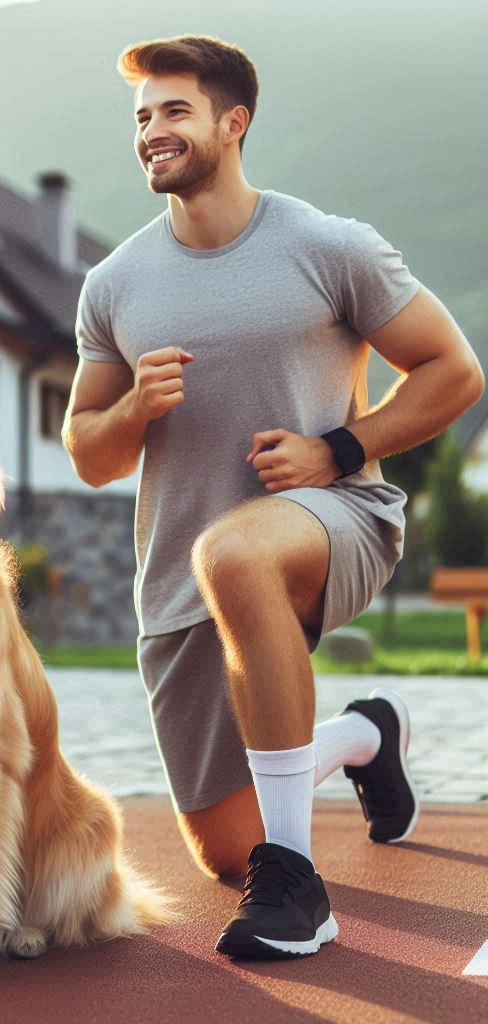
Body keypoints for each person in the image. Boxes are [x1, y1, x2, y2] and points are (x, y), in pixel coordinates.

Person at [62, 35, 484, 958]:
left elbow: (454, 372)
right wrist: (134, 404)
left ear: (232, 122)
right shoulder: (116, 284)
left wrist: (342, 446)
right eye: (141, 118)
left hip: (337, 520)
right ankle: (366, 737)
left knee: (237, 552)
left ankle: (298, 891)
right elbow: (89, 453)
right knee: (223, 850)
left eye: (174, 111)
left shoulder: (328, 247)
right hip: (179, 577)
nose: (152, 132)